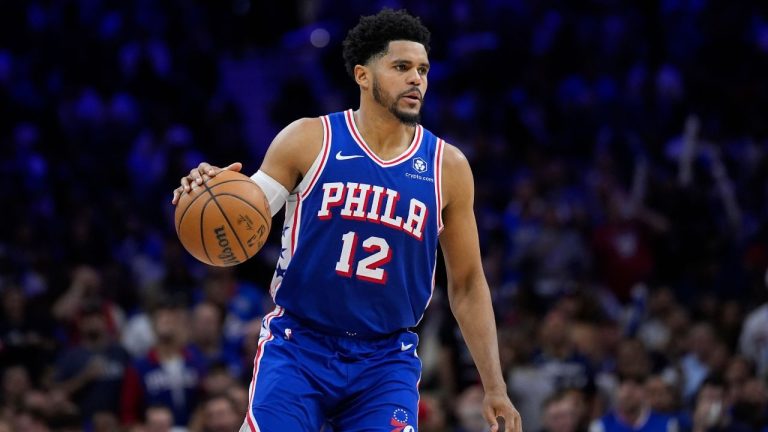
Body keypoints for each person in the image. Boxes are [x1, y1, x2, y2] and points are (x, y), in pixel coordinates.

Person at [171, 8, 520, 432]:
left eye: (423, 69)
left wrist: (494, 386)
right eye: (402, 67)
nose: (417, 79)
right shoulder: (309, 139)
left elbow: (466, 284)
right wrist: (209, 188)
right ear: (363, 75)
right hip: (300, 346)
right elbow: (248, 209)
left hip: (385, 360)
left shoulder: (448, 167)